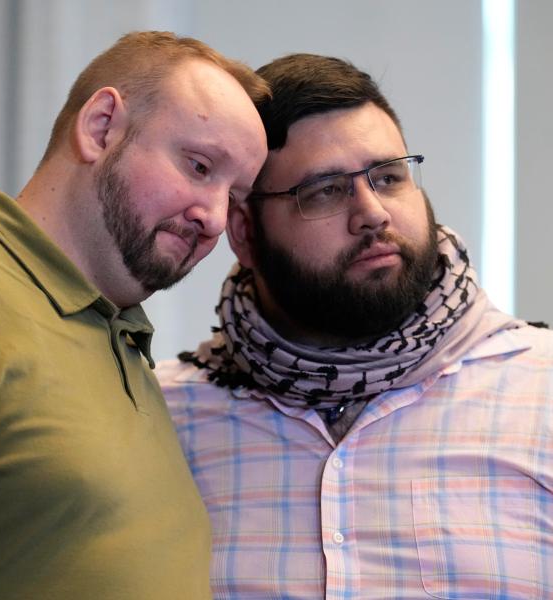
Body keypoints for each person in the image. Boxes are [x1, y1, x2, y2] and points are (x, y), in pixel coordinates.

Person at [159, 53, 553, 598]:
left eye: (388, 177)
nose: (372, 212)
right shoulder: (162, 419)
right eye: (325, 190)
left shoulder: (543, 386)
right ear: (245, 232)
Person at [0, 31, 267, 599]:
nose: (216, 218)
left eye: (235, 196)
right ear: (101, 127)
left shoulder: (121, 339)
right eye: (199, 166)